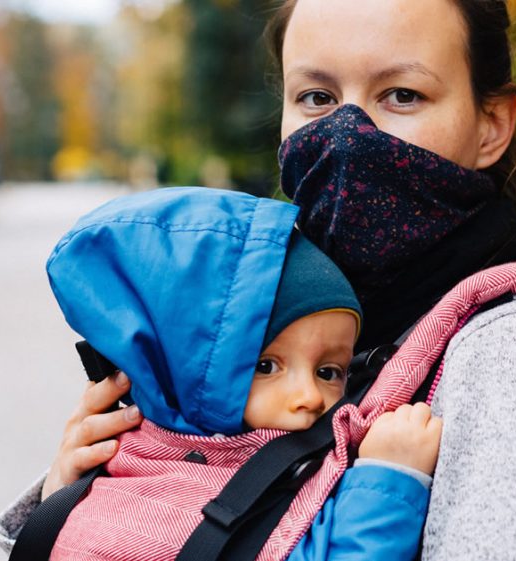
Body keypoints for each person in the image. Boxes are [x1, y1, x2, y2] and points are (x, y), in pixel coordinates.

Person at [0, 1, 516, 559]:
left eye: (401, 94)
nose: (346, 134)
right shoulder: (278, 304)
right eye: (316, 97)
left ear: (491, 125)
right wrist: (84, 496)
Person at [40, 187, 441, 560]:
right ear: (181, 371)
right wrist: (388, 482)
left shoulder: (305, 456)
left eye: (329, 371)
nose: (310, 396)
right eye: (266, 366)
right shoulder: (127, 509)